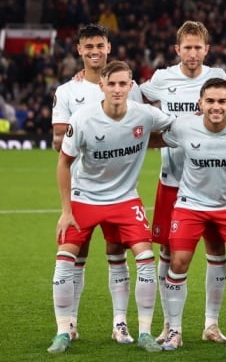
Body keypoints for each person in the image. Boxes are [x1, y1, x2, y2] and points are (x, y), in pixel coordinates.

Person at [48, 60, 174, 354]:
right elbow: (63, 162)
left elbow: (181, 124)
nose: (118, 89)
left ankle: (143, 331)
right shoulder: (82, 118)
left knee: (145, 258)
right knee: (64, 259)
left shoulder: (145, 114)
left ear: (131, 87)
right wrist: (66, 211)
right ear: (101, 86)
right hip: (85, 198)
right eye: (112, 84)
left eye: (123, 84)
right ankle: (63, 331)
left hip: (125, 199)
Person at [152, 77, 226, 351]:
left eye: (222, 102)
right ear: (200, 104)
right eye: (210, 101)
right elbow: (153, 137)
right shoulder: (182, 127)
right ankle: (174, 330)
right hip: (191, 204)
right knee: (178, 263)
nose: (216, 107)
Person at [139, 21, 226, 345]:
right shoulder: (162, 79)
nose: (192, 53)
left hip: (210, 182)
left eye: (198, 47)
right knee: (168, 251)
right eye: (187, 47)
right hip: (172, 180)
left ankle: (211, 324)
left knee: (215, 249)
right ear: (177, 49)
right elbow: (129, 92)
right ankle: (169, 325)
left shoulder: (217, 77)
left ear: (207, 50)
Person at [50, 23, 143, 344]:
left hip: (120, 190)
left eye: (100, 46)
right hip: (82, 190)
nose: (94, 51)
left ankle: (120, 324)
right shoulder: (67, 92)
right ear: (79, 50)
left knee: (117, 252)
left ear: (108, 47)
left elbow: (144, 122)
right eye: (88, 46)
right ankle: (70, 323)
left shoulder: (130, 86)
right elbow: (58, 140)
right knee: (76, 254)